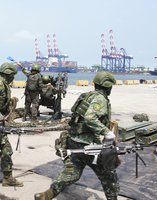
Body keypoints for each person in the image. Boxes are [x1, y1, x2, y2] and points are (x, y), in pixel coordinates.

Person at [35, 71, 119, 200]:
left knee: (72, 172)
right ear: (108, 86)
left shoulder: (87, 96)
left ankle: (47, 194)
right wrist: (106, 132)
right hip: (89, 145)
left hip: (74, 140)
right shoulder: (100, 99)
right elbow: (90, 118)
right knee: (109, 176)